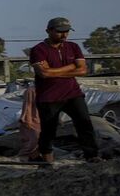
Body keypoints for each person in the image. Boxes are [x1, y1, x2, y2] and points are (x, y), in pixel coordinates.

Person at [29, 17, 101, 163]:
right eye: (60, 32)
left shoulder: (73, 47)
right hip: (49, 96)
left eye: (67, 32)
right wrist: (70, 67)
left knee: (84, 122)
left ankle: (92, 155)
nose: (64, 35)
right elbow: (43, 73)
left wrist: (53, 71)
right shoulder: (38, 50)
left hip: (72, 93)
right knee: (49, 130)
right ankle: (45, 157)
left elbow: (82, 70)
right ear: (49, 31)